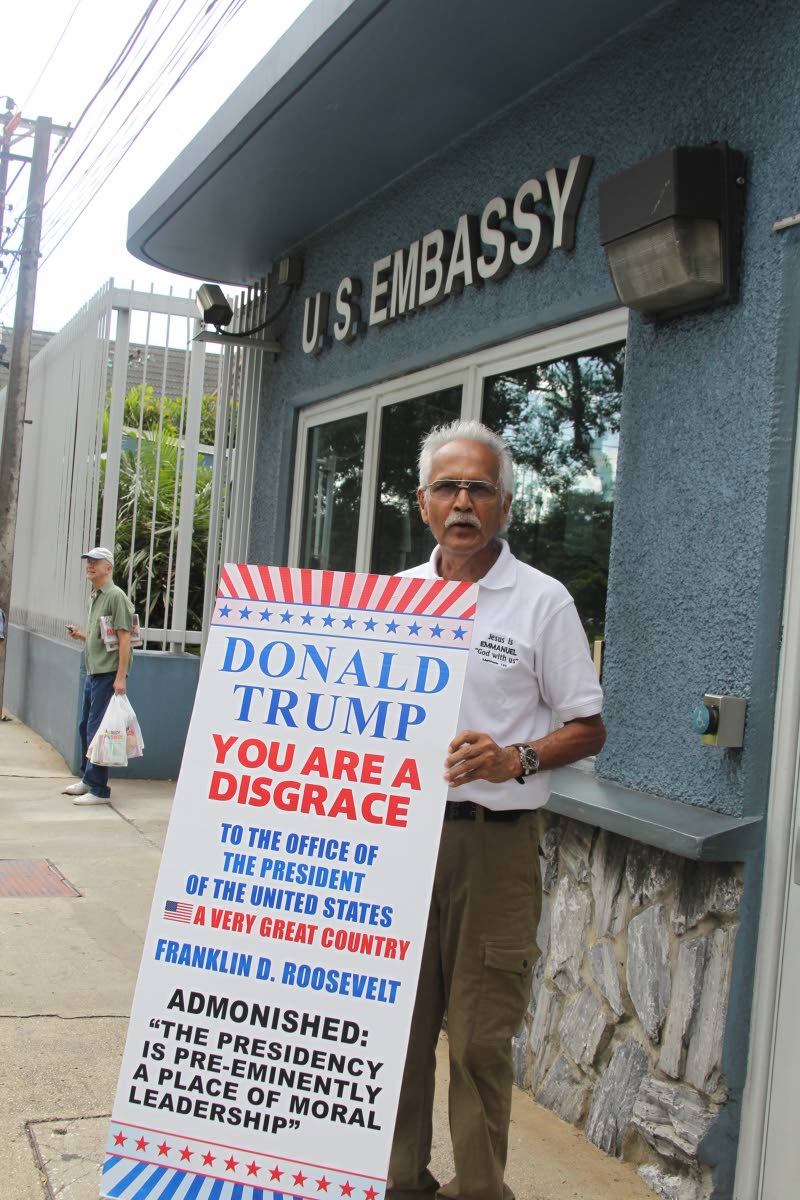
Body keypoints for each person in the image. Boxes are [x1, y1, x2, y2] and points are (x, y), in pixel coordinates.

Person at [388, 420, 606, 1200]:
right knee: (397, 1034)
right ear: (422, 504)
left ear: (505, 506)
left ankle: (479, 1191)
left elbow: (589, 726)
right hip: (400, 848)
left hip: (497, 846)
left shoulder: (542, 603)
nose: (463, 503)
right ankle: (396, 1183)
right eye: (448, 487)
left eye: (480, 488)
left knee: (480, 1040)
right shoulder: (396, 602)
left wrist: (516, 758)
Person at [64, 547, 134, 806]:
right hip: (94, 672)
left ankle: (98, 788)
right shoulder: (97, 595)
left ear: (109, 568)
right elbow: (108, 637)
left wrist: (121, 676)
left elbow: (125, 637)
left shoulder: (116, 596)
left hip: (107, 675)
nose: (90, 566)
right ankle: (87, 778)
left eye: (96, 562)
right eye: (88, 562)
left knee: (98, 731)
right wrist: (82, 636)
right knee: (86, 726)